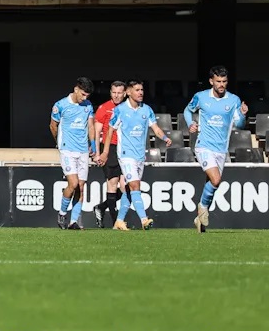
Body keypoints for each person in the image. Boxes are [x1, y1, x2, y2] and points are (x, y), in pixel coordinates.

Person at [99, 80, 171, 231]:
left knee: (130, 190)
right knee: (135, 185)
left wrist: (165, 138)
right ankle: (144, 220)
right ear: (129, 92)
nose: (141, 93)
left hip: (139, 156)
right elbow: (110, 130)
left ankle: (119, 221)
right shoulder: (120, 110)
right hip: (125, 155)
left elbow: (156, 129)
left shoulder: (146, 109)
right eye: (137, 90)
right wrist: (105, 152)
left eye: (142, 90)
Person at [184, 66, 248, 233]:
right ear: (211, 81)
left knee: (212, 184)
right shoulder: (201, 97)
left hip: (221, 150)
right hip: (204, 146)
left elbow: (240, 125)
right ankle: (203, 208)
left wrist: (242, 115)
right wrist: (190, 123)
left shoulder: (233, 100)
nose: (221, 84)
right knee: (216, 180)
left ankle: (200, 220)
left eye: (224, 81)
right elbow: (187, 110)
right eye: (218, 81)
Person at [50, 77, 95, 231]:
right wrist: (58, 142)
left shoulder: (88, 105)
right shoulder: (61, 105)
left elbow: (91, 126)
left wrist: (93, 144)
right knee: (73, 183)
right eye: (83, 94)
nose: (84, 98)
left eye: (87, 95)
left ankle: (73, 221)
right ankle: (62, 214)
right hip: (67, 149)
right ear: (76, 89)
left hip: (83, 150)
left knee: (80, 187)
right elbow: (53, 126)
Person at [93, 81, 126, 228]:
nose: (116, 95)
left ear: (125, 94)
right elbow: (97, 132)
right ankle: (115, 223)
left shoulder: (129, 108)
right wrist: (97, 153)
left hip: (125, 148)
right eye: (114, 92)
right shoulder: (104, 108)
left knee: (126, 187)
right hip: (110, 148)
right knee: (112, 184)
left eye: (119, 93)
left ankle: (101, 207)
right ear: (110, 93)